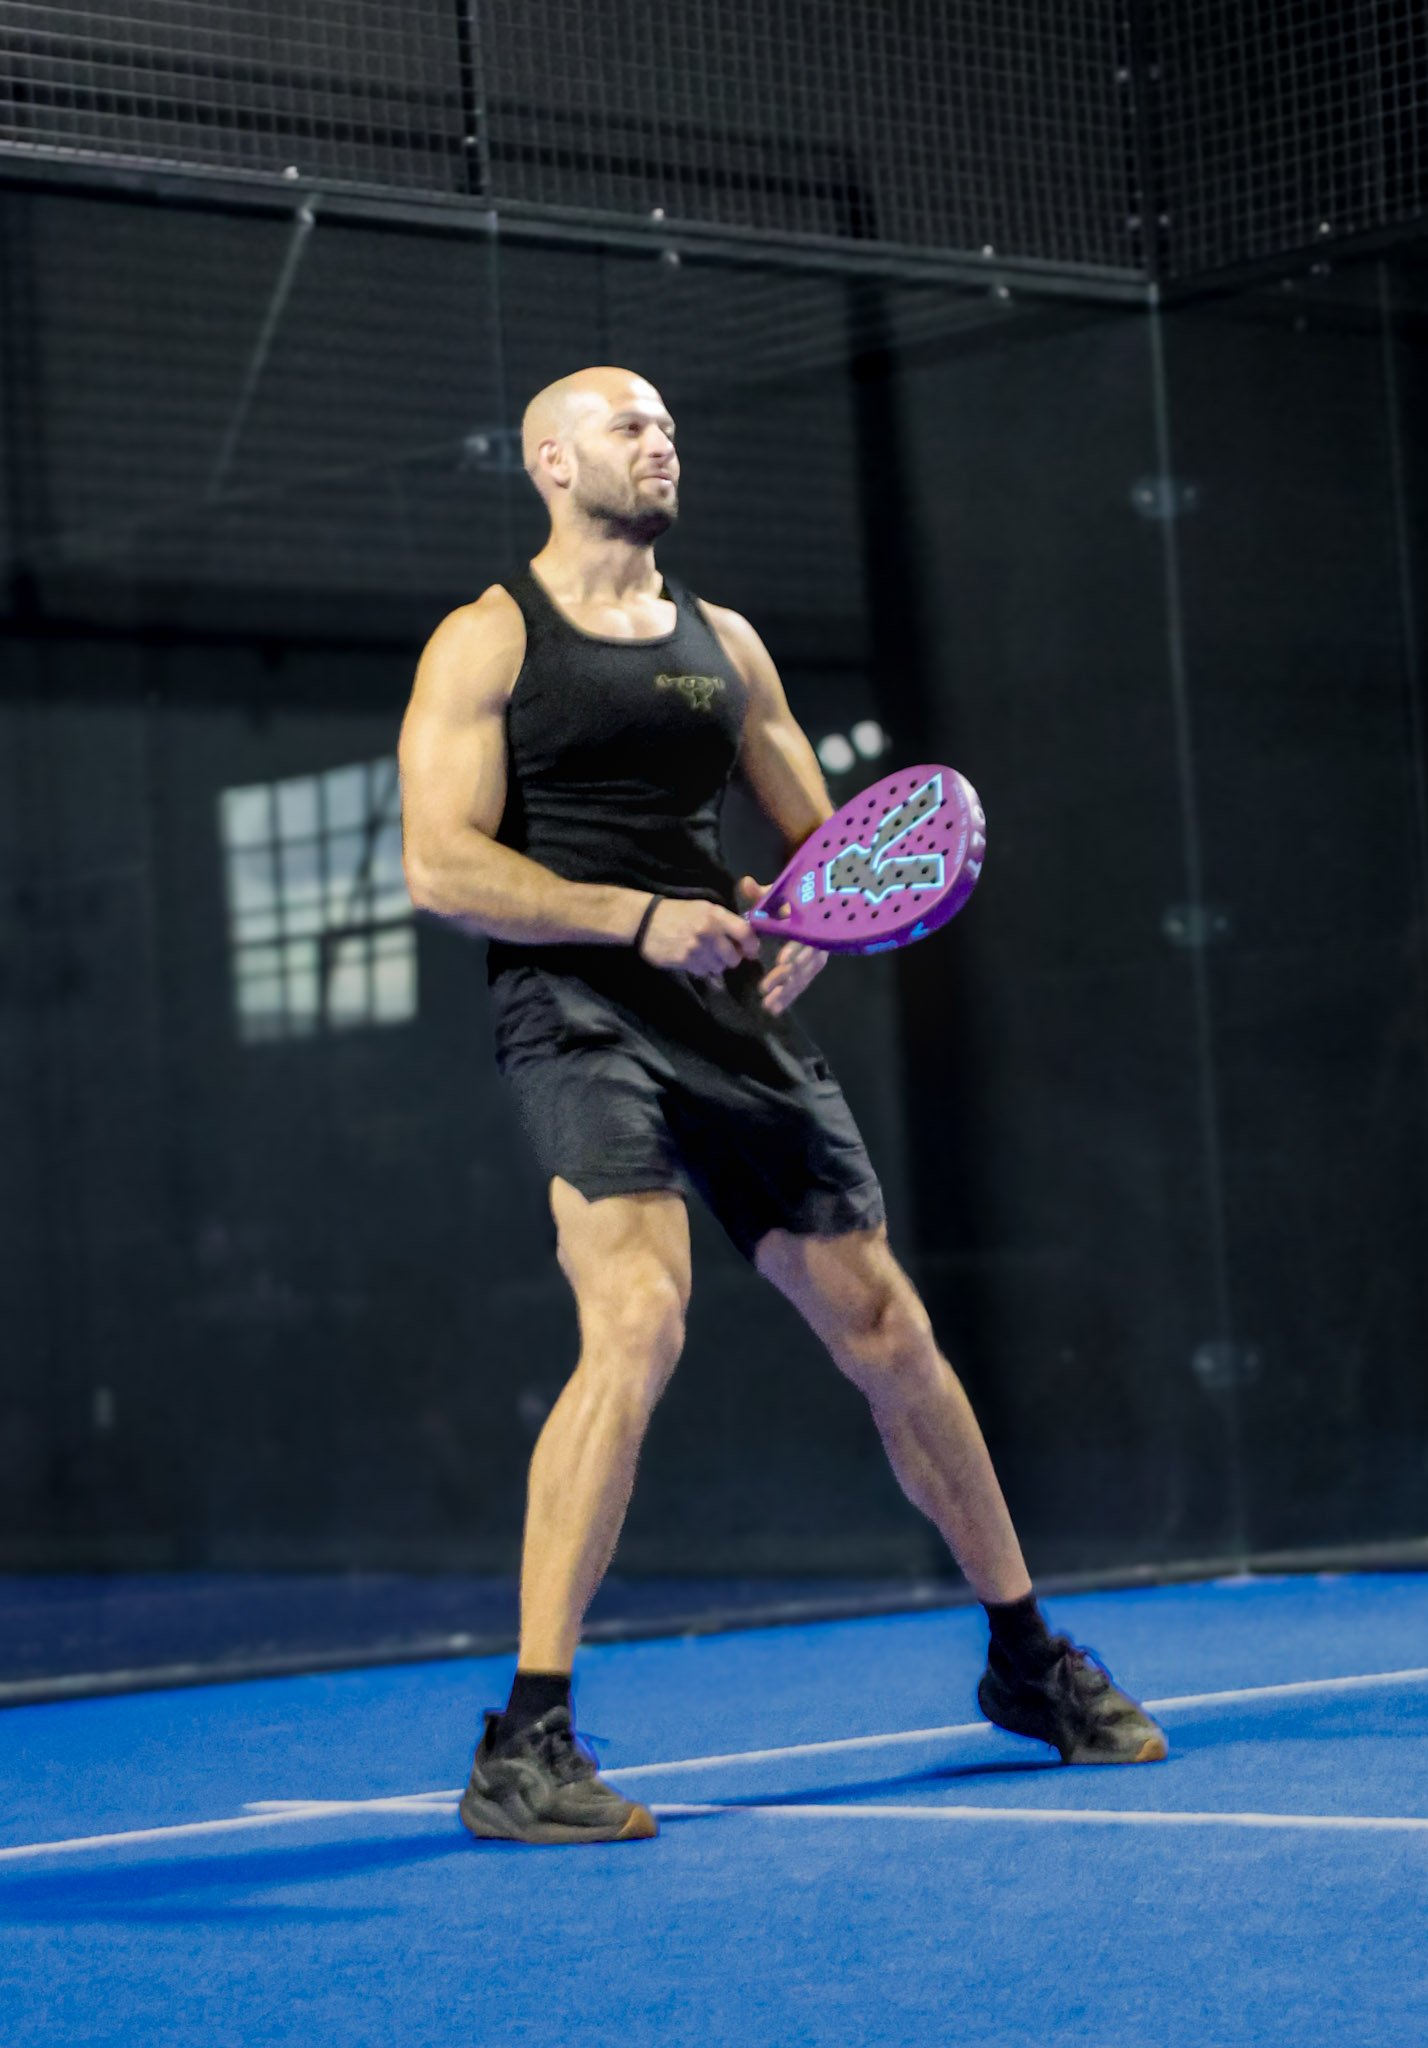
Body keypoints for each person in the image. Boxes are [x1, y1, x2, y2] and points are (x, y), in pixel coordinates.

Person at [397, 366, 1166, 1846]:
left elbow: (833, 844)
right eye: (629, 424)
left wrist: (806, 911)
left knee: (888, 1331)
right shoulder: (487, 638)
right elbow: (440, 866)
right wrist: (632, 919)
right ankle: (525, 1741)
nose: (659, 440)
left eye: (669, 424)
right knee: (636, 1319)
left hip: (723, 1011)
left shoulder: (724, 644)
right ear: (549, 459)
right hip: (576, 1012)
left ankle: (1026, 1661)